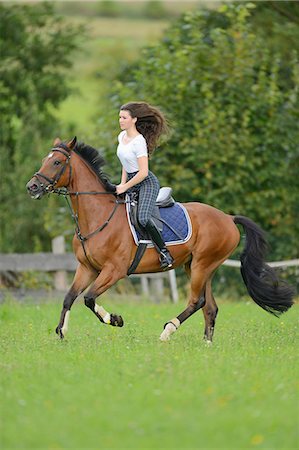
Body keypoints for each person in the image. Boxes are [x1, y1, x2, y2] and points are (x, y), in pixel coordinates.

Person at [116, 101, 174, 270]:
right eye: (120, 117)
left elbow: (143, 173)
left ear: (134, 120)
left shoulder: (139, 141)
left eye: (124, 118)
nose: (120, 121)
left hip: (146, 183)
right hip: (130, 182)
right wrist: (122, 183)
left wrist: (125, 187)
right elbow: (125, 163)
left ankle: (164, 252)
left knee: (143, 218)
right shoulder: (122, 137)